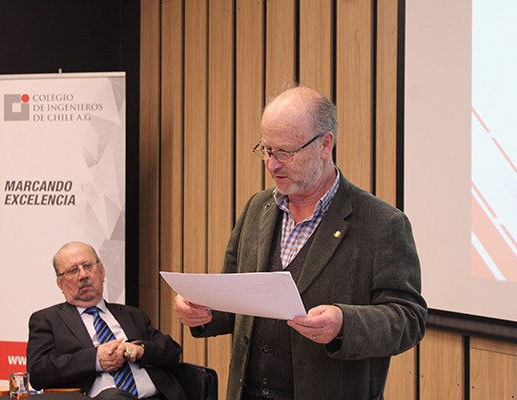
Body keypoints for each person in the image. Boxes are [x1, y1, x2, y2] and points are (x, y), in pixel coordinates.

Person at [174, 84, 428, 400]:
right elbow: (234, 299)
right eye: (267, 150)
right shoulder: (257, 208)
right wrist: (202, 309)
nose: (272, 164)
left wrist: (344, 323)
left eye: (285, 152)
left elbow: (408, 319)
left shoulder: (382, 223)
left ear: (325, 144)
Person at [27, 241, 187, 400]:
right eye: (72, 271)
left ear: (102, 272)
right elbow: (38, 373)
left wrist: (141, 350)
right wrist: (95, 359)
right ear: (60, 284)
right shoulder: (47, 320)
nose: (83, 275)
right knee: (113, 396)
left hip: (156, 397)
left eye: (88, 266)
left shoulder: (132, 314)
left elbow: (172, 352)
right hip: (104, 397)